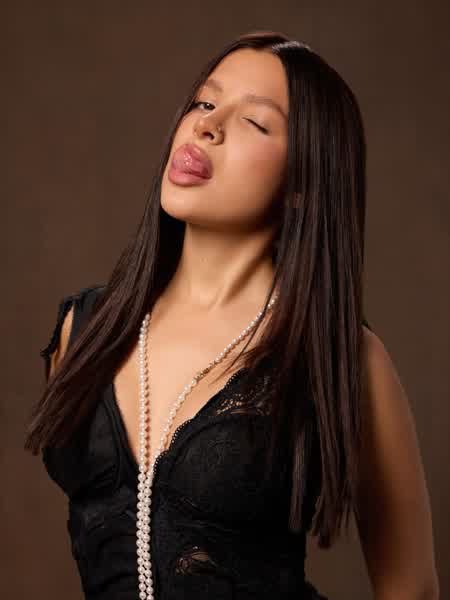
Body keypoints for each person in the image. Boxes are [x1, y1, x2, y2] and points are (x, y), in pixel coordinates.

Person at [24, 30, 439, 600]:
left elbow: (410, 588)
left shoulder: (343, 357)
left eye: (255, 122)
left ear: (302, 182)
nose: (208, 126)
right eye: (203, 102)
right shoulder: (87, 328)